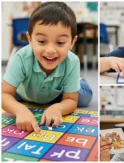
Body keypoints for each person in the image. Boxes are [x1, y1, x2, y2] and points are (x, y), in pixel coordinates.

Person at [2, 2, 92, 134]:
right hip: (25, 90)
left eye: (60, 43)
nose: (50, 50)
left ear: (72, 42)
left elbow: (71, 100)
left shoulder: (72, 61)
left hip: (57, 92)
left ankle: (78, 81)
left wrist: (58, 108)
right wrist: (20, 110)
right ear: (30, 39)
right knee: (9, 94)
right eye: (42, 41)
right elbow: (4, 95)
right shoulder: (21, 57)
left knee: (84, 98)